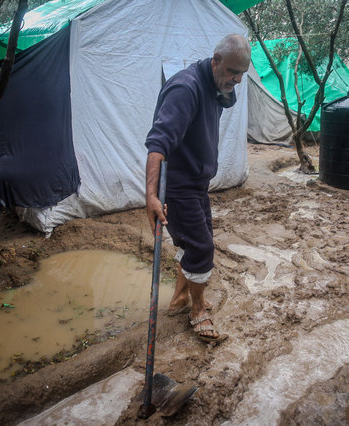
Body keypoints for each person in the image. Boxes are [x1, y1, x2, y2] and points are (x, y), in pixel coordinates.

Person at [144, 34, 251, 343]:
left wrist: (227, 85)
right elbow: (157, 144)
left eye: (242, 73)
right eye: (232, 71)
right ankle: (198, 309)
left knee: (191, 244)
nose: (237, 80)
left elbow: (225, 96)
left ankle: (179, 300)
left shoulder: (215, 84)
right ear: (215, 60)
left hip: (197, 183)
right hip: (179, 187)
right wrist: (151, 196)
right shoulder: (185, 89)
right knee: (202, 248)